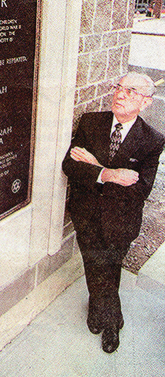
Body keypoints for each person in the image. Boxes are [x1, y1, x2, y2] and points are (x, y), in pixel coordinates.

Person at [62, 72, 165, 353]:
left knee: (110, 267)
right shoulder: (91, 122)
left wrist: (94, 167)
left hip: (121, 220)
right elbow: (70, 167)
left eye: (131, 92)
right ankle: (103, 310)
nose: (120, 95)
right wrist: (108, 173)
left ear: (145, 102)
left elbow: (139, 190)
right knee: (94, 264)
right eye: (119, 87)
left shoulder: (152, 140)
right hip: (86, 213)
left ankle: (110, 321)